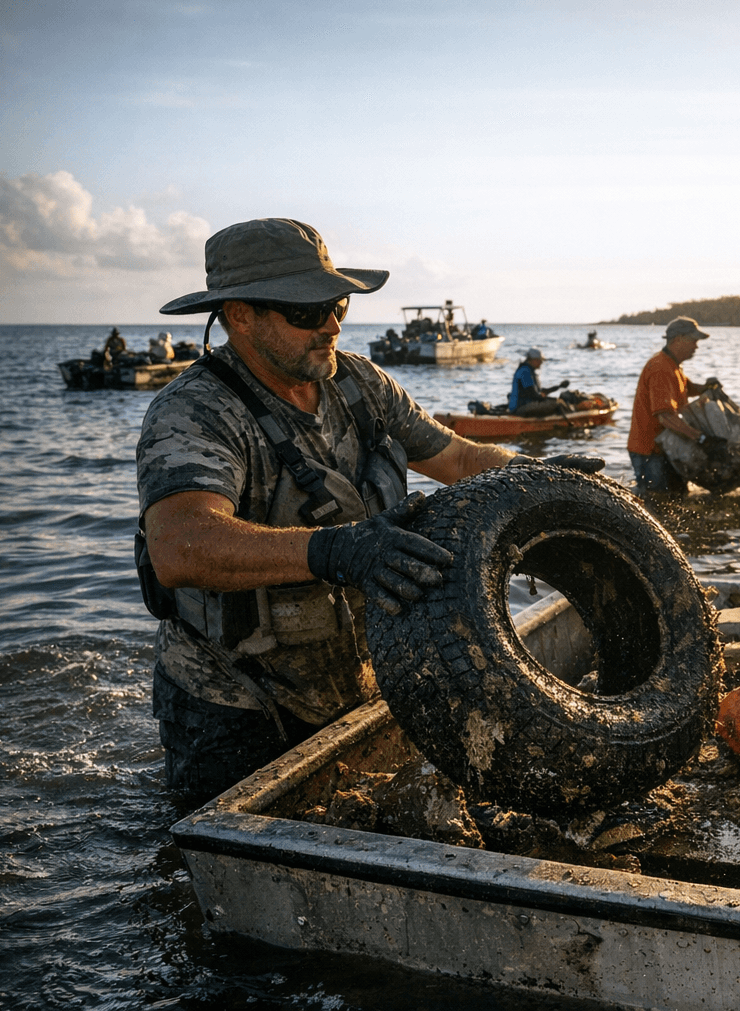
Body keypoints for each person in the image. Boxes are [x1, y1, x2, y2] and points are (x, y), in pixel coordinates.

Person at [138, 217, 602, 804]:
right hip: (232, 700)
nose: (331, 324)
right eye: (306, 312)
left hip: (353, 679)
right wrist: (335, 549)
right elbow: (180, 546)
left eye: (338, 305)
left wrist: (537, 476)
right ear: (240, 316)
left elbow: (456, 458)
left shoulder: (360, 383)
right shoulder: (196, 411)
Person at [627, 317, 724, 497]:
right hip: (650, 452)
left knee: (676, 498)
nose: (696, 346)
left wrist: (707, 387)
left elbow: (688, 388)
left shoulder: (673, 366)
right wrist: (700, 438)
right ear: (678, 339)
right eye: (693, 341)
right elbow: (665, 417)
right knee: (658, 504)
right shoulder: (660, 368)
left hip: (663, 449)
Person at [507, 347, 571, 417]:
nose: (541, 362)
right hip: (520, 408)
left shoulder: (527, 370)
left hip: (522, 405)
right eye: (539, 360)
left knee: (557, 401)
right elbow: (533, 395)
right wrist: (550, 399)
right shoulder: (525, 372)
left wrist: (558, 387)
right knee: (557, 403)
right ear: (533, 360)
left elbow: (537, 391)